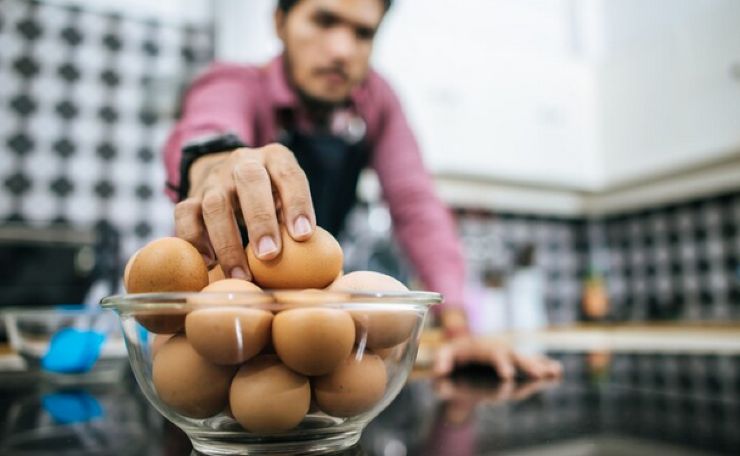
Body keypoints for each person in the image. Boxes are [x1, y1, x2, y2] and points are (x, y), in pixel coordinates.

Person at [163, 0, 561, 379]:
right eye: (323, 21)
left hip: (307, 328)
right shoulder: (238, 83)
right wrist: (215, 166)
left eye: (362, 33)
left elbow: (416, 205)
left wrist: (458, 329)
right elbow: (208, 132)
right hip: (219, 324)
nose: (341, 50)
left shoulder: (376, 102)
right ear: (280, 23)